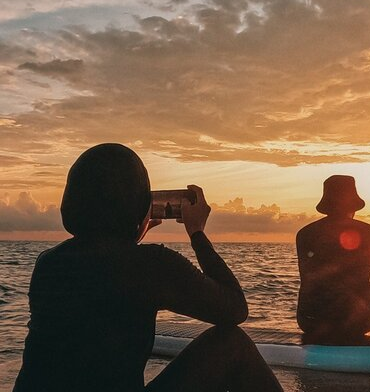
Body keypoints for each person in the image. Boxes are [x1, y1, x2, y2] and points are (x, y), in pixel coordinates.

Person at [13, 143, 282, 392]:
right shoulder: (151, 264)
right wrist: (196, 232)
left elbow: (107, 269)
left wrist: (131, 235)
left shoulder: (49, 262)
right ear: (138, 205)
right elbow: (234, 309)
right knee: (232, 344)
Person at [296, 175, 370, 344]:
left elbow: (307, 277)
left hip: (309, 322)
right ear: (353, 206)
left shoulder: (304, 234)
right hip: (352, 324)